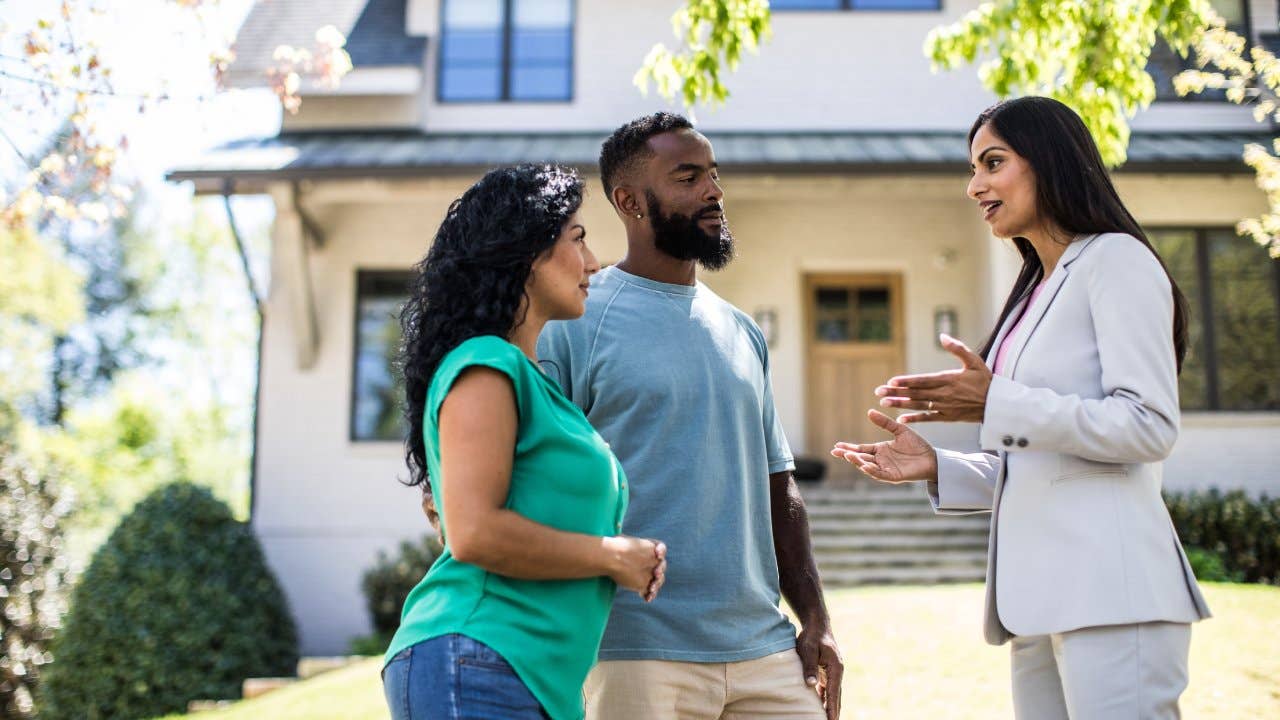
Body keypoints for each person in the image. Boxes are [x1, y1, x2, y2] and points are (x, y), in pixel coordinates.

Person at [832, 96, 1211, 719]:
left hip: (1113, 594)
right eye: (973, 167)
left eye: (992, 162)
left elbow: (1148, 427)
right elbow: (1043, 457)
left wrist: (997, 400)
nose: (974, 185)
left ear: (1050, 161)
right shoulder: (1036, 291)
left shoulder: (1115, 259)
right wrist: (939, 466)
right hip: (1036, 603)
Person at [538, 113, 841, 720]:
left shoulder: (742, 331)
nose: (714, 192)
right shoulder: (574, 325)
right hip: (635, 650)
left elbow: (779, 486)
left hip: (764, 647)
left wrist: (816, 619)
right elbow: (542, 482)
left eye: (714, 174)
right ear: (630, 201)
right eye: (688, 177)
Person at [383, 164, 668, 720]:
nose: (593, 263)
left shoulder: (539, 387)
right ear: (526, 250)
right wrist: (614, 557)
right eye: (578, 239)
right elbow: (474, 533)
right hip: (478, 656)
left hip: (524, 679)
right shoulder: (487, 363)